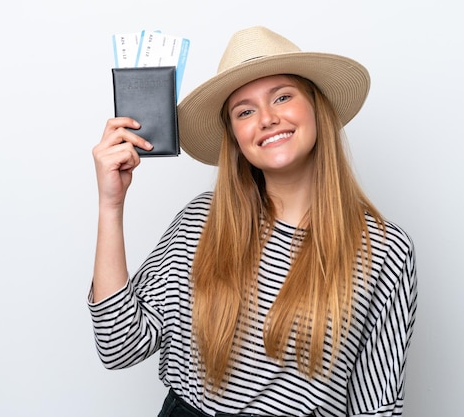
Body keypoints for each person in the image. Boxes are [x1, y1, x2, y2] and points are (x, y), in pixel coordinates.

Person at [89, 26, 417, 417]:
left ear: (317, 108)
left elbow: (376, 405)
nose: (267, 118)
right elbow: (119, 345)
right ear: (235, 137)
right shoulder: (201, 221)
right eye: (244, 111)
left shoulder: (385, 250)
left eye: (282, 96)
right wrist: (111, 205)